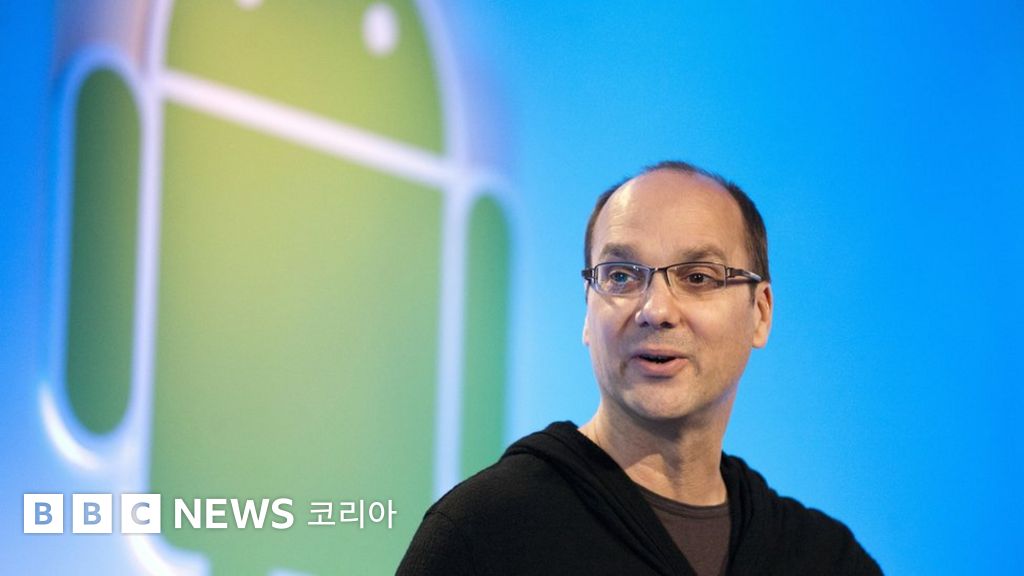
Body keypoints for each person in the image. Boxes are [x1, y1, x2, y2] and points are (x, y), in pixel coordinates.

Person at [397, 161, 882, 575]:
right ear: (587, 311)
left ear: (760, 313)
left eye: (698, 277)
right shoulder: (485, 534)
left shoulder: (824, 559)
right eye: (621, 277)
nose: (656, 310)